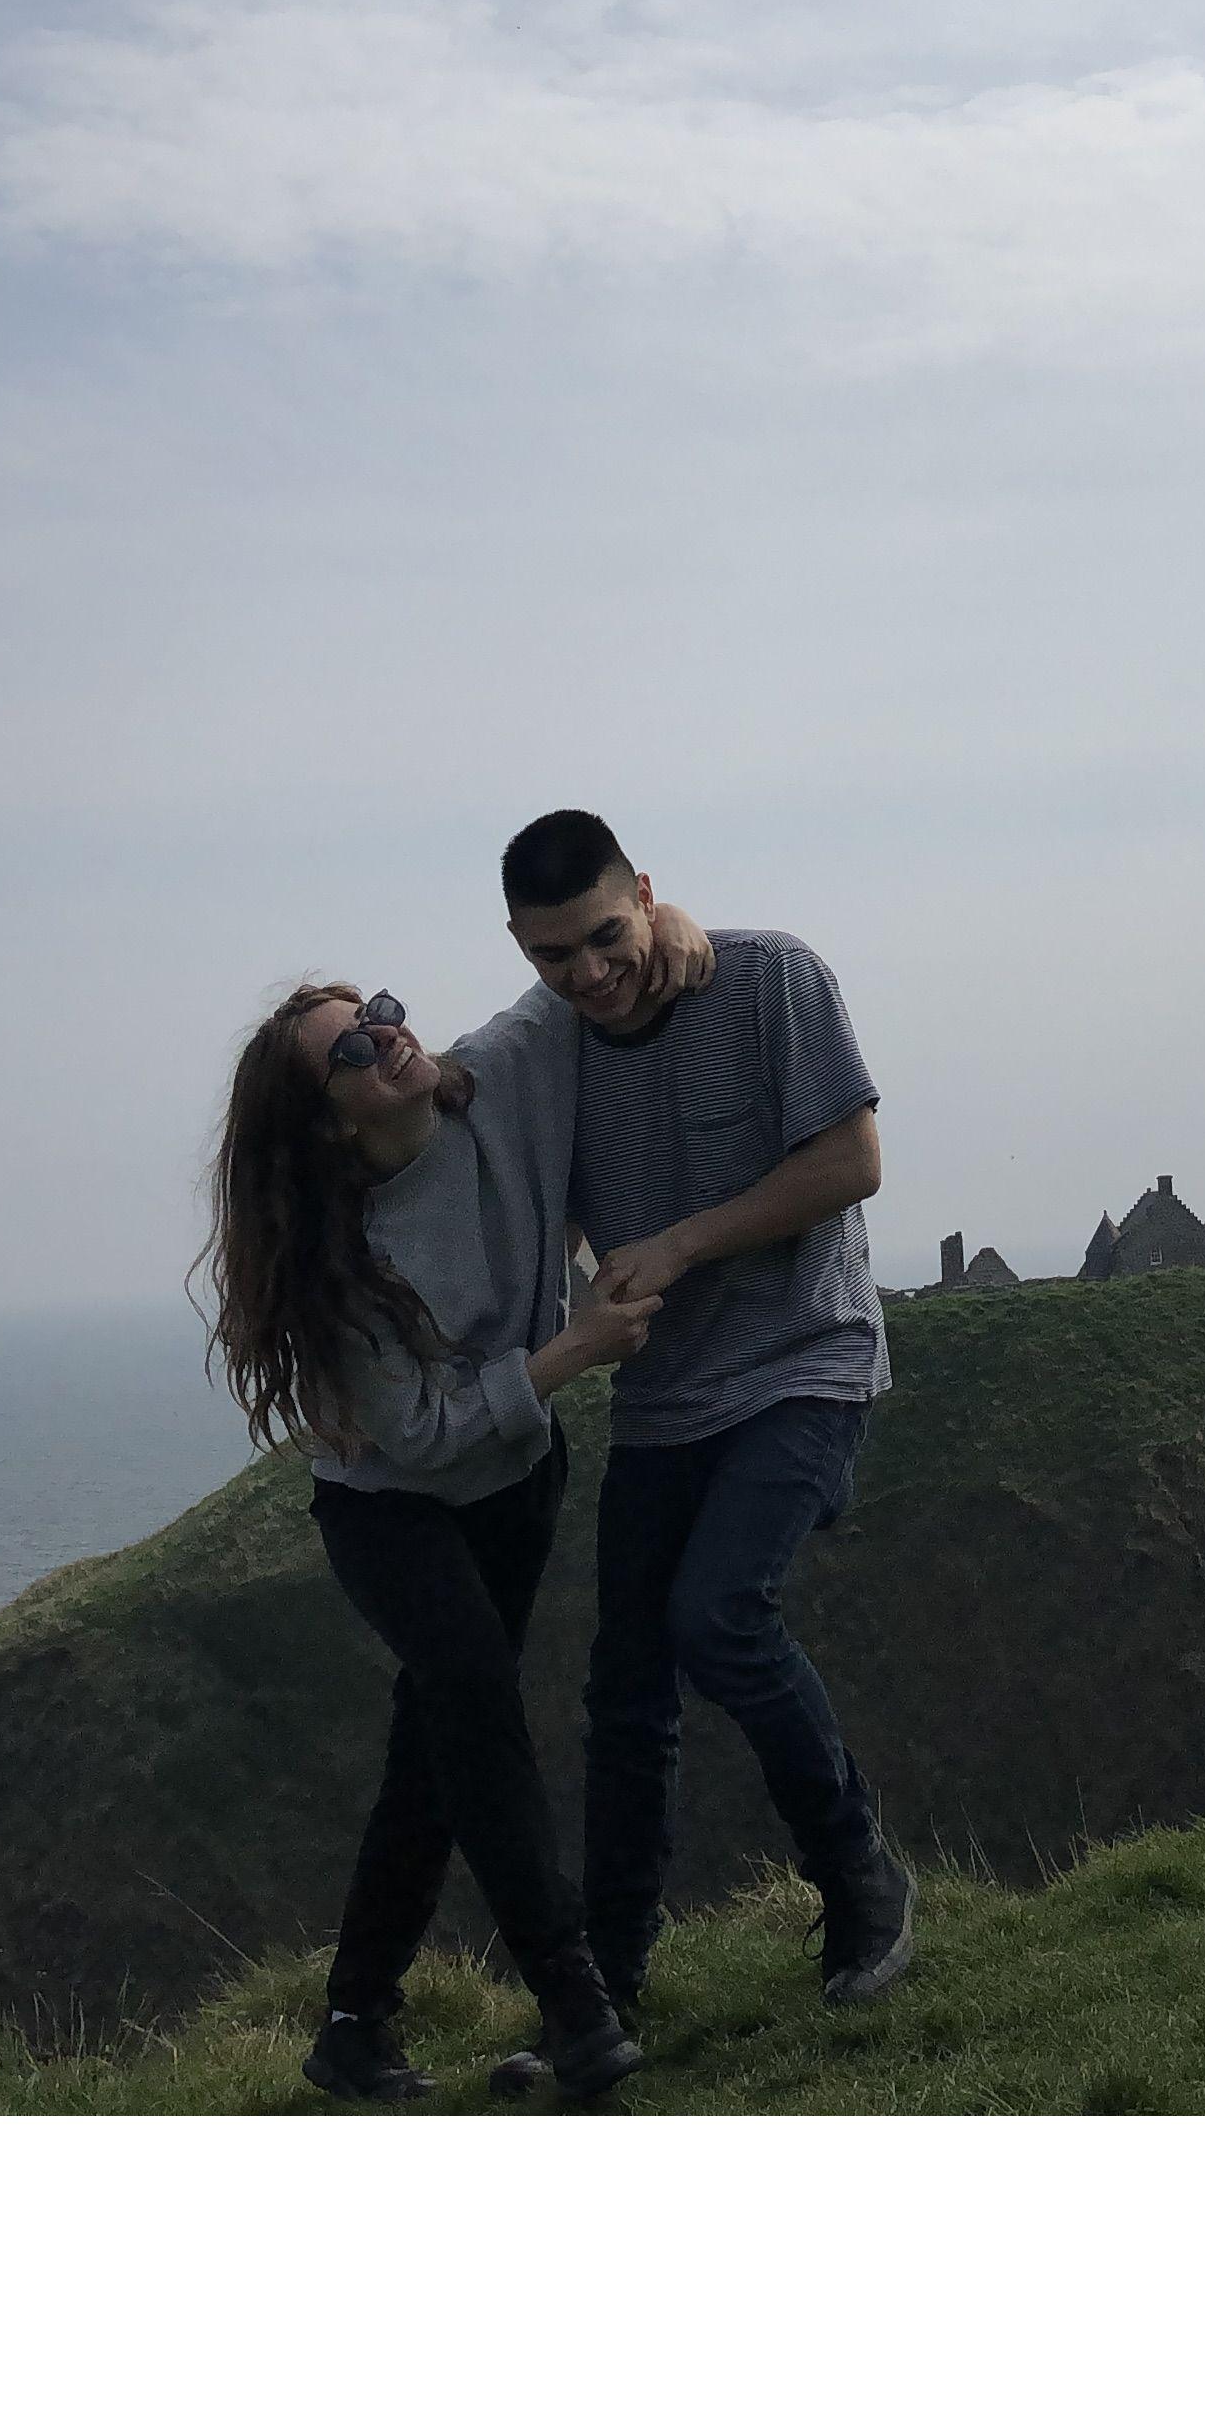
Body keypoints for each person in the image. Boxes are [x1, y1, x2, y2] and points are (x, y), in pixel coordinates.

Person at [190, 920, 702, 2108]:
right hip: (393, 1514)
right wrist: (572, 1352)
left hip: (517, 1489)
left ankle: (355, 2024)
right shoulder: (337, 1258)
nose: (387, 1038)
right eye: (352, 1050)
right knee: (475, 1710)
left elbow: (582, 967)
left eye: (379, 1012)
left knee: (437, 1755)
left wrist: (668, 922)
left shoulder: (501, 1076)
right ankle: (575, 2001)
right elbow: (413, 1435)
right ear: (328, 1121)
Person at [472, 809, 915, 2019]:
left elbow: (853, 1162)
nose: (590, 974)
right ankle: (607, 1984)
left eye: (608, 937)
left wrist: (675, 1242)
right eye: (553, 957)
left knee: (718, 1615)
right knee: (626, 1689)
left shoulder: (771, 978)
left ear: (649, 894)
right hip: (666, 1401)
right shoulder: (551, 1049)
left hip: (804, 1362)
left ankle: (859, 1873)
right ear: (521, 947)